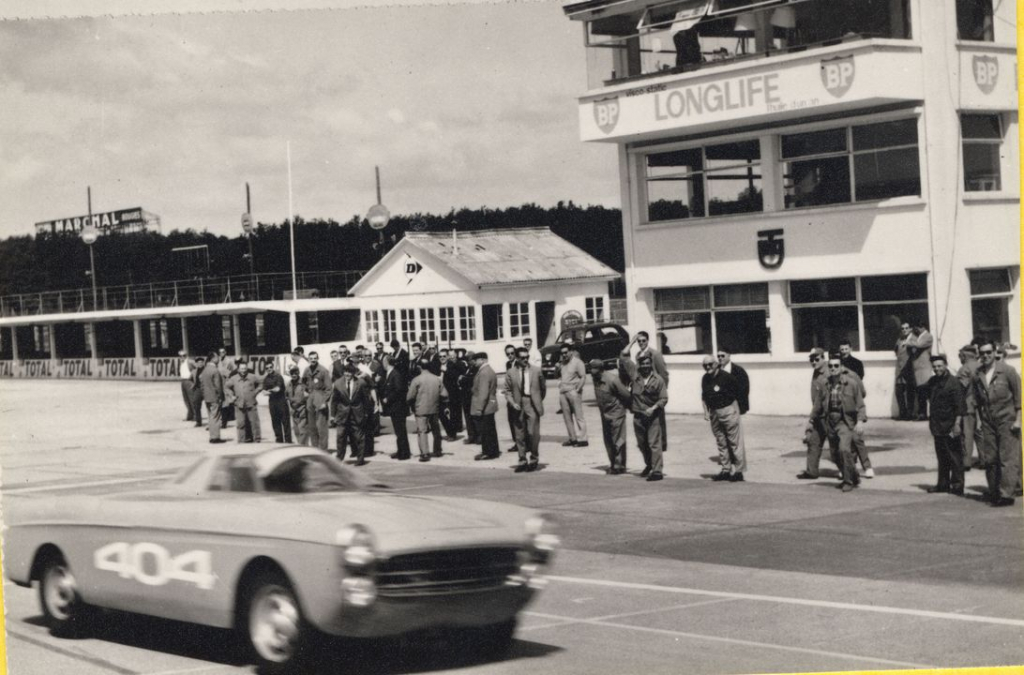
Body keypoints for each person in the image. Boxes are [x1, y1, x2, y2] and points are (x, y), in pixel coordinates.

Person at [968, 341, 1021, 507]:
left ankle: (1006, 494)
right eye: (982, 353)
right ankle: (994, 491)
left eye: (989, 352)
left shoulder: (1008, 371)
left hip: (1007, 419)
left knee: (1008, 458)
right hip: (987, 421)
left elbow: (1019, 398)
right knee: (990, 458)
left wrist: (1018, 420)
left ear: (994, 352)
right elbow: (976, 400)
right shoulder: (977, 374)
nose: (986, 356)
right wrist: (977, 421)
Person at [812, 354, 867, 493]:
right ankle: (853, 475)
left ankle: (848, 481)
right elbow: (818, 405)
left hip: (845, 421)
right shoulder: (824, 384)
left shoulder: (851, 383)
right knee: (835, 454)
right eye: (830, 366)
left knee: (844, 449)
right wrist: (811, 421)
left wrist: (860, 421)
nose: (833, 368)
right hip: (830, 420)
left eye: (836, 365)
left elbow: (860, 405)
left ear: (842, 367)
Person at [620, 353, 668, 481]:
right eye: (643, 364)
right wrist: (633, 340)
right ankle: (649, 465)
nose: (646, 366)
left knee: (654, 444)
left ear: (651, 364)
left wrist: (653, 408)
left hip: (652, 416)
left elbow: (664, 399)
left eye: (648, 363)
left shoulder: (658, 380)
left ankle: (657, 471)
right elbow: (623, 358)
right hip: (638, 416)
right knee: (642, 444)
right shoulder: (635, 376)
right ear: (639, 365)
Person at [701, 354, 746, 482]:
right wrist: (706, 412)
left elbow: (740, 393)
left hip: (728, 411)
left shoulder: (727, 377)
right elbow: (704, 396)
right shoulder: (705, 378)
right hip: (714, 413)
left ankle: (739, 471)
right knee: (721, 442)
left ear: (716, 364)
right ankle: (726, 469)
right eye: (705, 365)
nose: (708, 367)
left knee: (734, 442)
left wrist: (735, 410)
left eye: (710, 364)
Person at [926, 354, 965, 495]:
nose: (937, 369)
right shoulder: (932, 381)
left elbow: (960, 406)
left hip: (950, 425)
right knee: (941, 457)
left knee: (955, 457)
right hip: (937, 426)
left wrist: (957, 425)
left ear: (946, 365)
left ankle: (957, 486)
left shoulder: (954, 383)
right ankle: (943, 484)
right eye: (934, 367)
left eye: (939, 366)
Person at [505, 347, 545, 470]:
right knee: (519, 435)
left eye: (527, 357)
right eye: (522, 358)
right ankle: (522, 460)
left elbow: (543, 389)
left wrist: (537, 401)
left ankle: (534, 459)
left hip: (531, 404)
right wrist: (512, 403)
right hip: (517, 404)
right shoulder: (511, 372)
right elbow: (507, 391)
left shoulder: (536, 371)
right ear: (517, 358)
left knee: (533, 433)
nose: (525, 360)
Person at [590, 359, 632, 475]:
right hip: (604, 414)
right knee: (608, 441)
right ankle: (613, 463)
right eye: (592, 371)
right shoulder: (595, 379)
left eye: (596, 371)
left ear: (601, 370)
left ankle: (619, 465)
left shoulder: (612, 380)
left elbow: (626, 395)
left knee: (618, 440)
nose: (593, 374)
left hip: (616, 413)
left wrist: (626, 408)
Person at [798, 348, 833, 480]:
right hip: (818, 415)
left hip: (828, 416)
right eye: (811, 360)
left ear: (823, 358)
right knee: (813, 442)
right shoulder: (816, 372)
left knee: (835, 447)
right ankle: (811, 471)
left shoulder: (829, 372)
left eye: (817, 359)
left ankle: (848, 471)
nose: (814, 362)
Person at [331, 361, 372, 464]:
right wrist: (332, 415)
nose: (347, 374)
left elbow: (365, 400)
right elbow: (334, 401)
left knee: (359, 437)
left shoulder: (361, 383)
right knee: (340, 437)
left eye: (350, 372)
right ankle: (339, 458)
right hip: (342, 414)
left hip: (357, 413)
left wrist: (366, 413)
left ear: (353, 373)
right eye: (345, 372)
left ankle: (360, 459)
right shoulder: (338, 383)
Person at [407, 358, 447, 461]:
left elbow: (410, 396)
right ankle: (437, 450)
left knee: (422, 431)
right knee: (436, 430)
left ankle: (425, 453)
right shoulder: (437, 379)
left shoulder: (416, 380)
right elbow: (445, 394)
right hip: (434, 408)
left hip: (420, 409)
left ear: (419, 367)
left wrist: (411, 405)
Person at [557, 343, 589, 447]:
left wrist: (578, 389)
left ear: (571, 352)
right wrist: (556, 368)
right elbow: (557, 376)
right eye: (562, 353)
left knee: (578, 416)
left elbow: (583, 377)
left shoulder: (578, 362)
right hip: (563, 392)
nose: (564, 355)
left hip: (573, 391)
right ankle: (572, 438)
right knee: (567, 417)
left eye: (566, 352)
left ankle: (583, 439)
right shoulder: (562, 363)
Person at [381, 355, 411, 460]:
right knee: (398, 431)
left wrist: (388, 399)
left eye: (383, 361)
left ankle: (405, 453)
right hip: (395, 408)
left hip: (398, 407)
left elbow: (398, 390)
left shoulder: (395, 374)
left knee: (400, 431)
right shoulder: (390, 374)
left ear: (387, 362)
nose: (382, 363)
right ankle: (401, 451)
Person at [470, 352, 500, 459]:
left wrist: (479, 409)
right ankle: (493, 451)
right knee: (490, 429)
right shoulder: (488, 370)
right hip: (489, 405)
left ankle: (488, 452)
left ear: (483, 360)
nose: (475, 362)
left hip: (485, 406)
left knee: (486, 430)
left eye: (476, 359)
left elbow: (483, 392)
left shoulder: (484, 372)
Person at [956, 344, 981, 469]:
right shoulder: (981, 365)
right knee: (980, 433)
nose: (959, 358)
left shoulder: (964, 368)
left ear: (965, 356)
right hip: (981, 406)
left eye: (960, 356)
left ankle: (966, 462)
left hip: (968, 405)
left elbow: (960, 388)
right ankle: (984, 460)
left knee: (967, 434)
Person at [225, 360, 262, 443]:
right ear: (238, 369)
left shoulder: (252, 377)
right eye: (242, 369)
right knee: (241, 423)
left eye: (245, 368)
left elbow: (261, 384)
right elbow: (226, 387)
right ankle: (241, 440)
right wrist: (232, 395)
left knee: (254, 422)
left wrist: (255, 392)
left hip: (251, 402)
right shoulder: (233, 378)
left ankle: (257, 439)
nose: (243, 370)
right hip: (239, 404)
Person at [303, 351, 332, 452]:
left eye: (315, 358)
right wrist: (305, 391)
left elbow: (329, 389)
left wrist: (324, 401)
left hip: (320, 399)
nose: (313, 360)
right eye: (311, 358)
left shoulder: (323, 371)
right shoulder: (306, 370)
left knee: (321, 427)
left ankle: (323, 450)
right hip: (310, 400)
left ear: (318, 358)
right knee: (312, 427)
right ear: (309, 359)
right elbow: (303, 383)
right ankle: (315, 449)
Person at [261, 360, 292, 443]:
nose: (269, 369)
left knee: (285, 423)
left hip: (281, 402)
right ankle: (279, 441)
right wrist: (271, 391)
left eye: (270, 367)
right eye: (267, 368)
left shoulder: (278, 376)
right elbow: (263, 392)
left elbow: (278, 389)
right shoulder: (266, 379)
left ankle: (288, 442)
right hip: (272, 403)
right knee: (275, 422)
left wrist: (269, 391)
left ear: (273, 367)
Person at [199, 351, 226, 444]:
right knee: (216, 417)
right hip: (215, 397)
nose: (218, 358)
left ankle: (212, 436)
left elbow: (202, 385)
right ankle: (215, 437)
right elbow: (218, 386)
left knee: (211, 417)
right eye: (217, 357)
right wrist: (221, 396)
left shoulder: (205, 370)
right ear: (213, 358)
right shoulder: (215, 370)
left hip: (207, 397)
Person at [909, 323, 934, 420]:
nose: (916, 330)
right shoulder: (919, 337)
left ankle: (927, 414)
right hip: (918, 369)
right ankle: (922, 414)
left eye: (917, 328)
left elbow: (919, 345)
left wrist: (909, 342)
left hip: (924, 369)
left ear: (922, 327)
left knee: (925, 392)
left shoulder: (928, 336)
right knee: (920, 393)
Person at [439, 349, 465, 440]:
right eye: (440, 356)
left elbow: (456, 376)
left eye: (444, 356)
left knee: (452, 415)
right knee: (441, 415)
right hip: (440, 394)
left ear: (448, 357)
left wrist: (446, 371)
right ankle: (449, 432)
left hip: (451, 394)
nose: (442, 358)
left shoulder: (452, 365)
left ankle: (452, 435)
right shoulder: (437, 366)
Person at [716, 349, 749, 414]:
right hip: (719, 408)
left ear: (728, 355)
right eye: (718, 356)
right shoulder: (716, 370)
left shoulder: (739, 371)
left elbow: (744, 390)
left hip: (735, 408)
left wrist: (739, 407)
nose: (720, 358)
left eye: (722, 356)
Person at [458, 348, 480, 444]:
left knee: (475, 418)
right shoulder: (468, 369)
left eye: (470, 359)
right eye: (467, 359)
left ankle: (478, 437)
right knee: (468, 418)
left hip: (471, 396)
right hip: (465, 397)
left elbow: (472, 380)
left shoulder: (476, 369)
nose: (468, 361)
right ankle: (471, 436)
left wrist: (463, 378)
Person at [894, 322, 915, 420]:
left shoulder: (913, 339)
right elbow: (896, 351)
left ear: (910, 329)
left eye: (906, 328)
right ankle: (902, 413)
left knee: (910, 393)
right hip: (899, 370)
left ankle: (910, 414)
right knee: (899, 392)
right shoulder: (899, 340)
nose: (904, 330)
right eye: (902, 328)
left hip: (909, 370)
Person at [286, 366, 309, 446]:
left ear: (298, 373)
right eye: (292, 373)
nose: (294, 375)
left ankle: (303, 448)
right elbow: (286, 396)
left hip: (302, 409)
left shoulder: (303, 383)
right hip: (293, 411)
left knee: (303, 431)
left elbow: (308, 395)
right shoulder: (289, 384)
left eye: (295, 373)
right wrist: (289, 408)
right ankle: (302, 447)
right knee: (296, 431)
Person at [502, 344, 519, 452]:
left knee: (519, 421)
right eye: (508, 354)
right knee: (511, 420)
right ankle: (516, 442)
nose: (510, 355)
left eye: (512, 353)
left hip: (517, 396)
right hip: (510, 396)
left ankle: (522, 443)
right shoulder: (508, 364)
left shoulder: (519, 363)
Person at [217, 347, 237, 428]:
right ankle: (226, 417)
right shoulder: (218, 360)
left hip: (226, 381)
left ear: (225, 352)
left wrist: (229, 375)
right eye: (220, 352)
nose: (221, 353)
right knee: (222, 400)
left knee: (227, 399)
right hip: (219, 381)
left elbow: (235, 370)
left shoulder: (229, 360)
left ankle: (227, 419)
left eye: (223, 352)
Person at [178, 350, 197, 422]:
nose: (182, 357)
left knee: (192, 399)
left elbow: (197, 368)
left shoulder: (190, 362)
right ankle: (190, 415)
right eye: (180, 356)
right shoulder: (181, 363)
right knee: (186, 399)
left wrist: (192, 376)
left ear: (186, 356)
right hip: (183, 381)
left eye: (184, 355)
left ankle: (196, 415)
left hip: (189, 381)